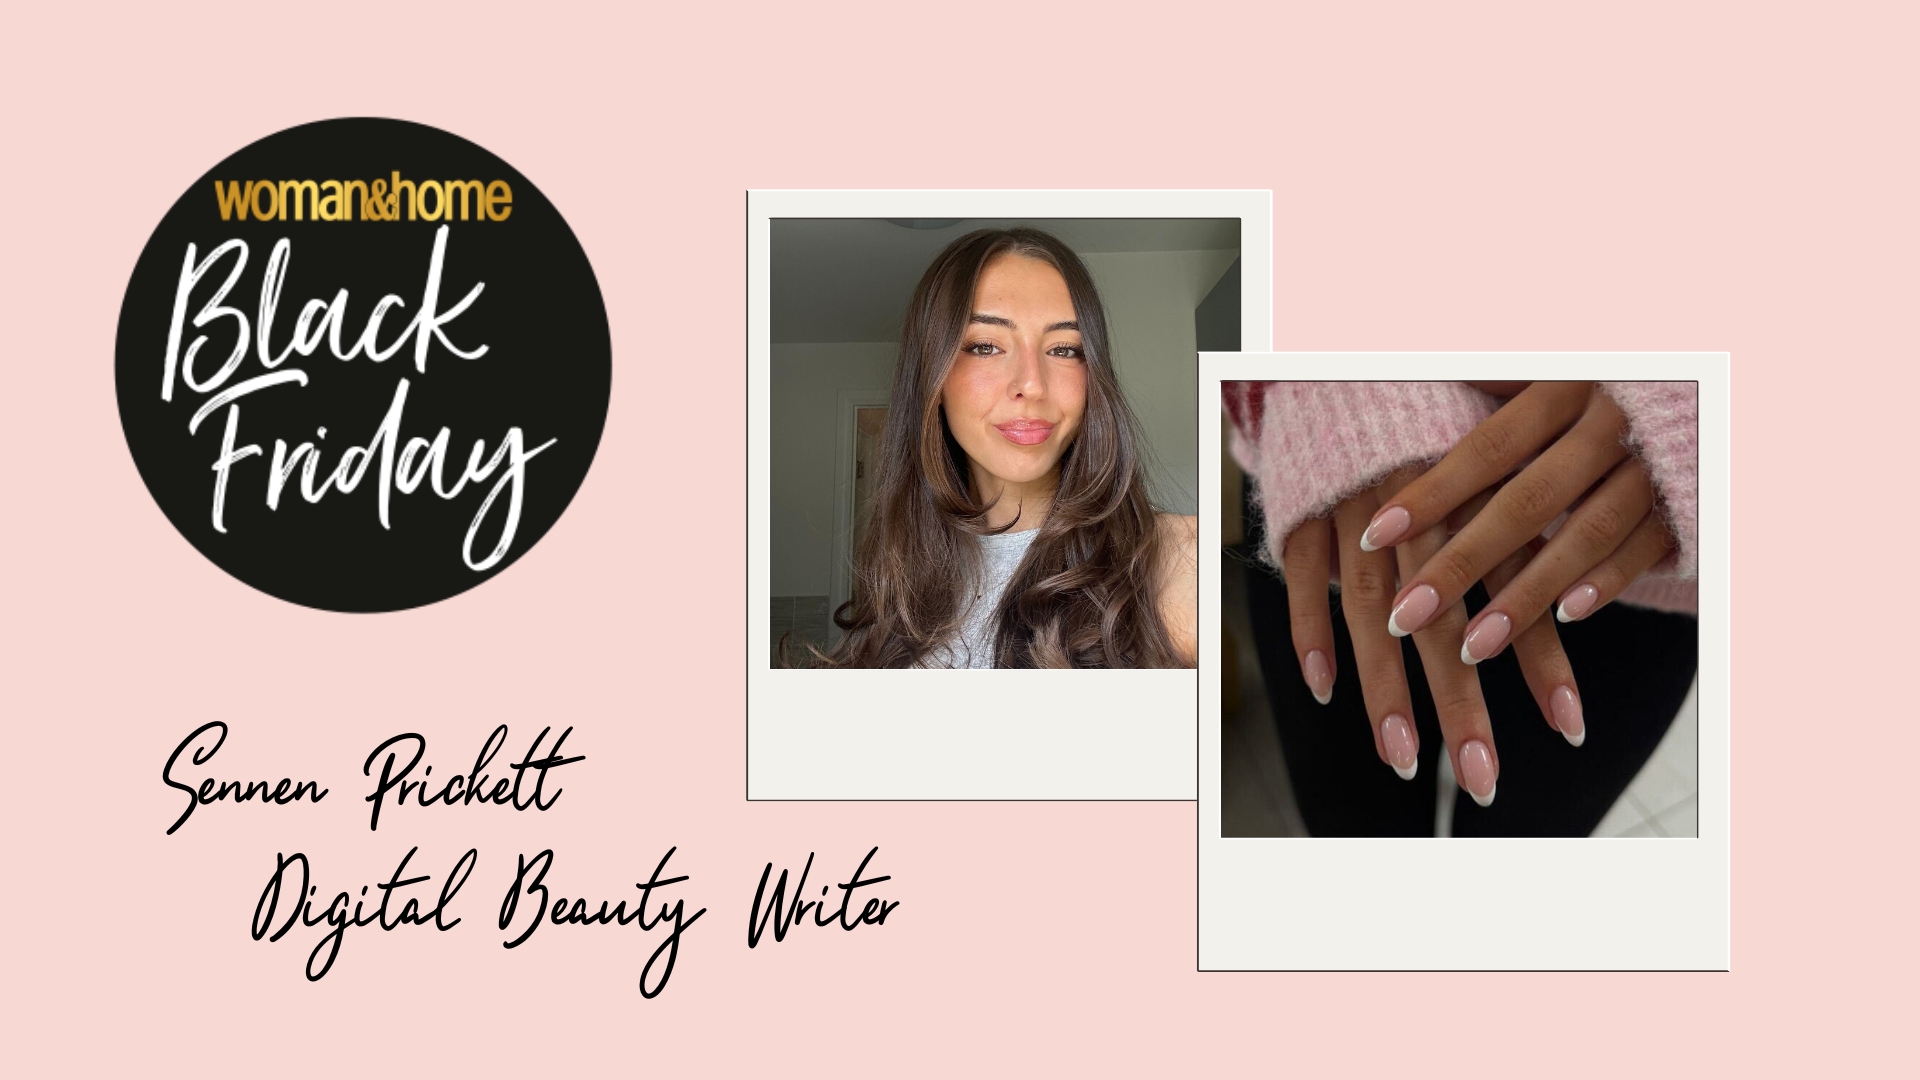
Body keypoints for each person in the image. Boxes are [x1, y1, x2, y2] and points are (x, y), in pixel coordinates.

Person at [1225, 380, 1698, 836]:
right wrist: (1340, 392)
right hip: (1343, 492)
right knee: (1355, 836)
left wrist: (1692, 403)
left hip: (1630, 533)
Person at [817, 226, 1197, 669]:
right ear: (933, 378)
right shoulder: (896, 587)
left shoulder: (1180, 561)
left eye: (1064, 349)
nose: (1032, 384)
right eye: (985, 346)